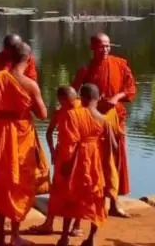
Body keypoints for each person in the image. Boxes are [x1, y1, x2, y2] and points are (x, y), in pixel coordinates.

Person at [0, 43, 48, 246]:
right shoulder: (30, 84)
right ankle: (14, 236)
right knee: (19, 184)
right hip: (22, 134)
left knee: (1, 182)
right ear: (29, 59)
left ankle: (0, 236)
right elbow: (43, 114)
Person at [72, 33, 136, 217]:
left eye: (108, 46)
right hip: (93, 121)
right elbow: (73, 92)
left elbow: (131, 88)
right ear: (92, 48)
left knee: (114, 160)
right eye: (101, 46)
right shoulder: (86, 69)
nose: (105, 50)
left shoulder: (120, 64)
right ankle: (92, 204)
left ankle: (114, 203)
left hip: (114, 118)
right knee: (94, 162)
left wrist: (116, 97)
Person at [47, 84, 117, 246]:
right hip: (96, 162)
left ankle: (64, 238)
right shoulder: (104, 119)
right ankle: (91, 238)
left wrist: (65, 165)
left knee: (71, 197)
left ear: (82, 98)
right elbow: (113, 145)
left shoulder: (74, 115)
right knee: (97, 199)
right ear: (99, 98)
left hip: (78, 161)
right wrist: (106, 163)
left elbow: (69, 143)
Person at [33, 86, 81, 237]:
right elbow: (49, 132)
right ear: (62, 100)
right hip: (62, 155)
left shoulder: (83, 110)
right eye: (70, 100)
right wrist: (52, 151)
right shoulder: (60, 113)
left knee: (78, 190)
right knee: (56, 191)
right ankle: (49, 223)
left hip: (79, 156)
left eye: (75, 99)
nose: (74, 102)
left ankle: (76, 225)